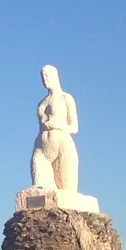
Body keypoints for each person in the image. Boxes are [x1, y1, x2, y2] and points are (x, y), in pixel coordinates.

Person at [31, 64, 80, 193]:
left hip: (62, 145)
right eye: (42, 77)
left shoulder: (66, 98)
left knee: (66, 191)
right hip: (41, 147)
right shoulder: (42, 102)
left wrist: (56, 125)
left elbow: (74, 127)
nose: (44, 80)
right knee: (38, 190)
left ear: (55, 76)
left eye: (47, 76)